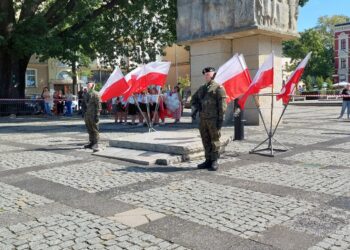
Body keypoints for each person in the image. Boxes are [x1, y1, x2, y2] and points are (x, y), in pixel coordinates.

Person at [191, 67, 227, 171]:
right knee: (205, 139)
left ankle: (214, 160)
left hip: (213, 119)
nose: (206, 76)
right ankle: (208, 160)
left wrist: (220, 120)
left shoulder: (218, 88)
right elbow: (194, 99)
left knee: (214, 140)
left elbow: (222, 106)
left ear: (213, 75)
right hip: (203, 120)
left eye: (208, 74)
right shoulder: (202, 88)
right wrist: (198, 107)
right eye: (205, 75)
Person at [84, 82, 102, 152]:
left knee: (95, 129)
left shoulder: (96, 94)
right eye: (87, 86)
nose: (88, 87)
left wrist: (97, 115)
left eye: (89, 85)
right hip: (87, 115)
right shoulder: (86, 94)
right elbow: (84, 105)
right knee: (89, 129)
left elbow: (99, 106)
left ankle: (96, 143)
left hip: (93, 114)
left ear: (93, 86)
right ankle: (91, 142)